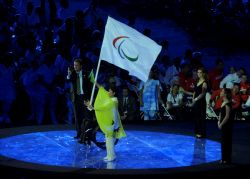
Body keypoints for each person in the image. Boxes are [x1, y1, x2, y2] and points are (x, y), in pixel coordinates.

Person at [85, 81, 126, 162]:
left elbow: (102, 107)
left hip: (111, 122)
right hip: (110, 122)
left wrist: (92, 107)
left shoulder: (113, 101)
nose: (108, 93)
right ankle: (110, 155)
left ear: (114, 93)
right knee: (107, 139)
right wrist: (96, 83)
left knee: (109, 140)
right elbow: (102, 90)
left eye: (110, 92)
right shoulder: (111, 99)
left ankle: (112, 156)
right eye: (109, 91)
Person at [67, 58, 93, 141]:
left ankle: (87, 134)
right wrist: (69, 75)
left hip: (85, 98)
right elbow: (68, 80)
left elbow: (90, 87)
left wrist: (89, 99)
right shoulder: (73, 74)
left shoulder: (87, 73)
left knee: (87, 117)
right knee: (77, 117)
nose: (75, 67)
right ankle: (79, 134)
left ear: (81, 66)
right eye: (74, 65)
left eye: (77, 65)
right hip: (76, 98)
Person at [188, 67, 208, 138]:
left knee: (201, 117)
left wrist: (196, 99)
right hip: (196, 102)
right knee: (196, 117)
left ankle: (201, 132)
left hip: (201, 102)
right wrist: (193, 100)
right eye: (198, 72)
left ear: (203, 73)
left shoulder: (204, 83)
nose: (198, 74)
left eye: (200, 72)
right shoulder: (197, 81)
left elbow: (203, 94)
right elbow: (195, 92)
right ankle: (197, 131)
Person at [218, 88, 234, 164]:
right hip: (223, 125)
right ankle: (224, 158)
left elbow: (227, 116)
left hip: (226, 126)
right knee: (223, 142)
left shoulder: (228, 103)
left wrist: (221, 124)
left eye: (222, 91)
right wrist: (218, 121)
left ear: (225, 94)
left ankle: (226, 159)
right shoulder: (223, 102)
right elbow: (221, 114)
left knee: (226, 142)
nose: (220, 92)